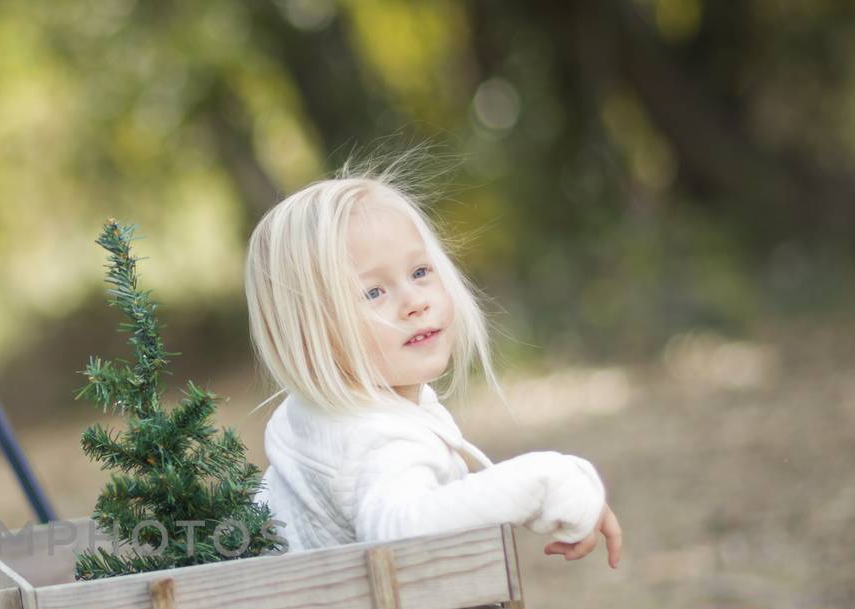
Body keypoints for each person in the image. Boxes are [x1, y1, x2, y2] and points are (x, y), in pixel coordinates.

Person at [246, 172, 623, 569]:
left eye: (420, 272)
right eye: (373, 292)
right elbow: (401, 531)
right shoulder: (374, 440)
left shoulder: (329, 419)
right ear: (310, 334)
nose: (414, 301)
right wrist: (544, 482)